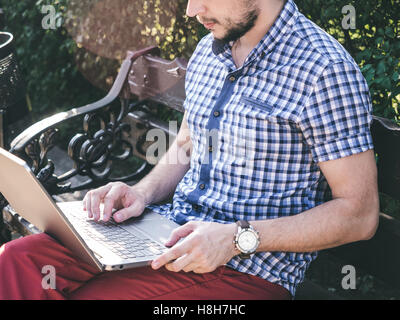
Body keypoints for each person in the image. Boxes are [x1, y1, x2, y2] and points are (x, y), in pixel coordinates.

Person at [0, 0, 379, 300]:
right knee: (19, 261)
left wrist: (233, 238)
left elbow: (359, 216)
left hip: (246, 272)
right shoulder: (209, 50)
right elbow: (186, 143)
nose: (191, 10)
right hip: (164, 234)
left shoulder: (325, 71)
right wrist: (140, 192)